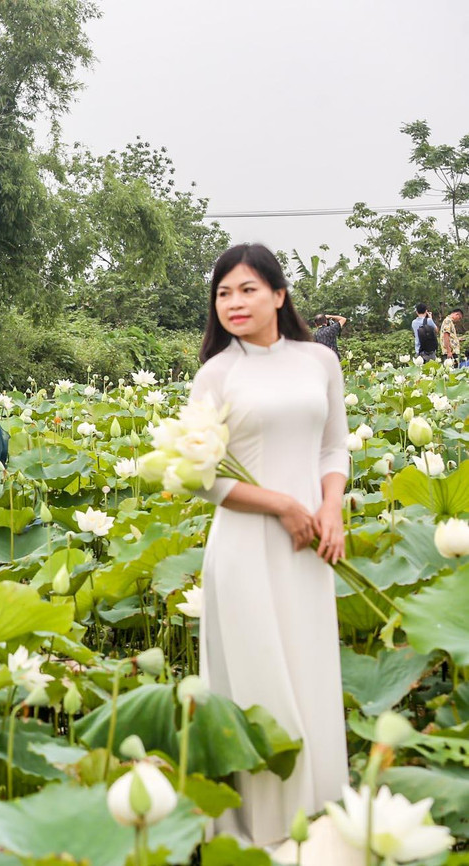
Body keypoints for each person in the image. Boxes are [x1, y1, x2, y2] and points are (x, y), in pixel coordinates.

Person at [188, 243, 347, 845]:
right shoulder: (217, 374)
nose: (234, 301)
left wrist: (329, 507)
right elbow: (204, 477)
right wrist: (283, 504)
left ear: (279, 294)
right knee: (260, 687)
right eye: (223, 292)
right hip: (246, 547)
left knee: (311, 673)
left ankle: (321, 826)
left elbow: (334, 447)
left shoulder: (317, 361)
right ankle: (261, 835)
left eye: (248, 289)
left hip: (311, 547)